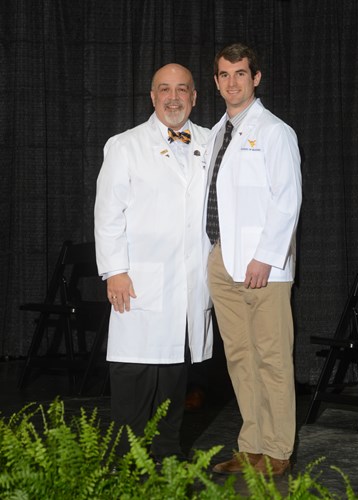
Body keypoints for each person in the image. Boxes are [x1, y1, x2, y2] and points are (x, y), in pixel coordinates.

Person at [94, 63, 213, 462]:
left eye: (182, 89)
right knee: (134, 375)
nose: (174, 97)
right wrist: (115, 271)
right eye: (165, 89)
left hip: (189, 284)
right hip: (139, 283)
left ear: (194, 97)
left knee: (174, 380)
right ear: (152, 96)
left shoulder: (211, 142)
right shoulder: (124, 145)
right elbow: (108, 214)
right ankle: (125, 465)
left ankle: (167, 460)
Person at [205, 43, 302, 476]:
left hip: (263, 267)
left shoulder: (275, 132)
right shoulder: (214, 133)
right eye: (224, 74)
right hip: (222, 261)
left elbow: (288, 200)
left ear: (256, 78)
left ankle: (278, 450)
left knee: (271, 357)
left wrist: (265, 257)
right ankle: (252, 446)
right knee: (240, 357)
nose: (232, 82)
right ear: (216, 81)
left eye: (240, 73)